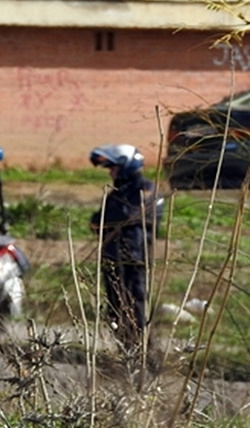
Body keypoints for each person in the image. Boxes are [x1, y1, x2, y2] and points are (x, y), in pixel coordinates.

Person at [89, 143, 161, 353]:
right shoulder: (116, 193)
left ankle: (143, 351)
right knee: (115, 308)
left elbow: (128, 216)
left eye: (113, 167)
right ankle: (127, 349)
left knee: (136, 305)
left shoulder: (146, 189)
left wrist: (109, 221)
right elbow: (97, 221)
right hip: (111, 258)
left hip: (134, 259)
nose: (111, 172)